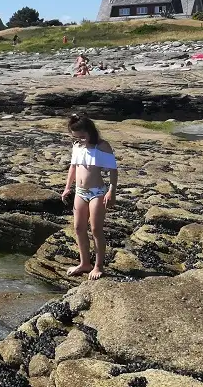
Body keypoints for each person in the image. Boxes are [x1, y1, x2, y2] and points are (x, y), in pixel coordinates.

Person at [62, 113, 118, 280]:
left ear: (90, 132)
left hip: (97, 193)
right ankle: (84, 263)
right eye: (76, 138)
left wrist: (111, 190)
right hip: (80, 192)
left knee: (95, 229)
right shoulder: (77, 146)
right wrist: (67, 188)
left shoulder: (102, 146)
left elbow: (113, 170)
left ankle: (98, 266)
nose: (80, 140)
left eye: (82, 137)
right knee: (79, 228)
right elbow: (73, 167)